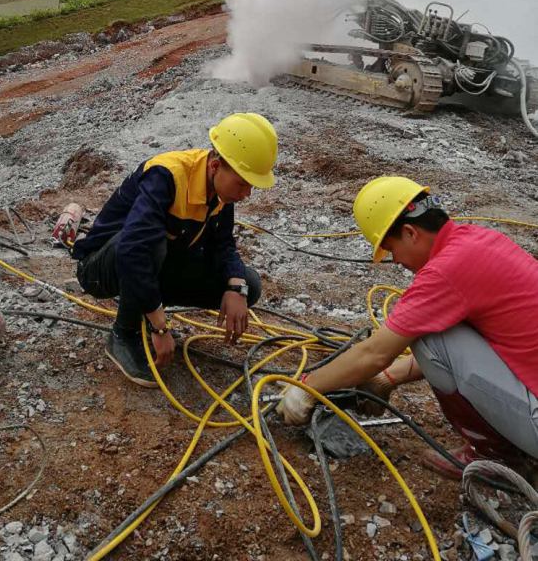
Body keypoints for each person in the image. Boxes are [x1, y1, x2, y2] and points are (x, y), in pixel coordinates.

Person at [280, 176, 538, 478]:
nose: (396, 260)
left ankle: (497, 457)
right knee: (437, 330)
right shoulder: (477, 241)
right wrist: (386, 380)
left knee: (427, 338)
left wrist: (306, 388)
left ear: (410, 232)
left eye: (391, 249)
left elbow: (375, 353)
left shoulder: (446, 271)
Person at [72, 112, 277, 387]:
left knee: (249, 284)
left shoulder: (220, 192)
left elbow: (224, 244)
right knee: (148, 243)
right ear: (215, 166)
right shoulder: (166, 176)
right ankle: (123, 334)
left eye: (251, 185)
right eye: (242, 183)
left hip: (151, 264)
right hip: (101, 267)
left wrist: (236, 287)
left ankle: (145, 306)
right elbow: (132, 250)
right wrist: (160, 325)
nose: (246, 194)